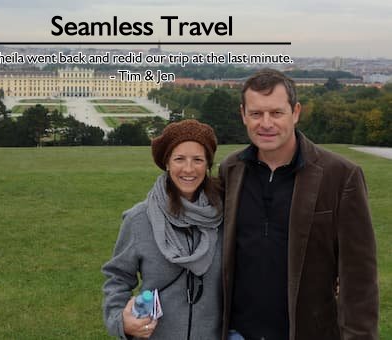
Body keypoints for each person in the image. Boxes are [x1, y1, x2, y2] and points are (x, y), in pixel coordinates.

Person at [219, 69, 378, 340]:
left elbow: (359, 278)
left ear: (295, 112)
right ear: (243, 114)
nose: (265, 123)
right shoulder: (230, 170)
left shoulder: (341, 175)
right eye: (256, 114)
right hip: (238, 333)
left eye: (276, 113)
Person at [102, 119, 224, 340]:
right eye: (179, 159)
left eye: (197, 159)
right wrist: (121, 321)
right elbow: (117, 279)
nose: (188, 169)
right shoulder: (139, 219)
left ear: (208, 164)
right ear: (167, 162)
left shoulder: (225, 216)